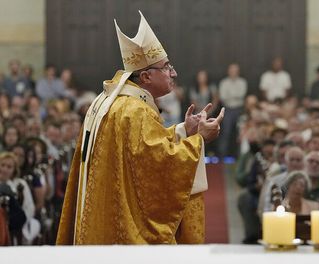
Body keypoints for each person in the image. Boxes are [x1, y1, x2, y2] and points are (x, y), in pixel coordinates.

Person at [56, 11, 224, 245]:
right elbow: (157, 165)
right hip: (124, 227)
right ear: (145, 76)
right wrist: (200, 140)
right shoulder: (136, 111)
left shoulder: (110, 101)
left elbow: (140, 150)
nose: (173, 73)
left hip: (102, 210)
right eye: (166, 67)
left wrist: (184, 130)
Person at [218, 63, 247, 157]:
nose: (233, 72)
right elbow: (223, 97)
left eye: (235, 70)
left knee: (240, 133)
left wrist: (230, 95)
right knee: (225, 132)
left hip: (239, 110)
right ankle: (222, 156)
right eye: (232, 70)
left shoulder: (242, 82)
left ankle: (240, 155)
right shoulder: (224, 82)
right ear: (228, 71)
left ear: (238, 72)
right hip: (228, 110)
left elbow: (241, 95)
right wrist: (234, 96)